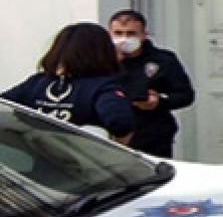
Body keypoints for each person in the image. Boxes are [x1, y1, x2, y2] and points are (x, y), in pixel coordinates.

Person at [2, 23, 135, 144]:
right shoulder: (101, 86)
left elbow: (4, 106)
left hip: (39, 156)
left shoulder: (37, 82)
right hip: (80, 159)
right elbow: (121, 123)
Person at [108, 10, 195, 158]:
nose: (124, 38)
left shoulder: (164, 60)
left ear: (144, 35)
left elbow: (185, 95)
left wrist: (159, 101)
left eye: (131, 33)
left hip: (153, 134)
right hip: (111, 134)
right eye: (118, 33)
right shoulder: (102, 60)